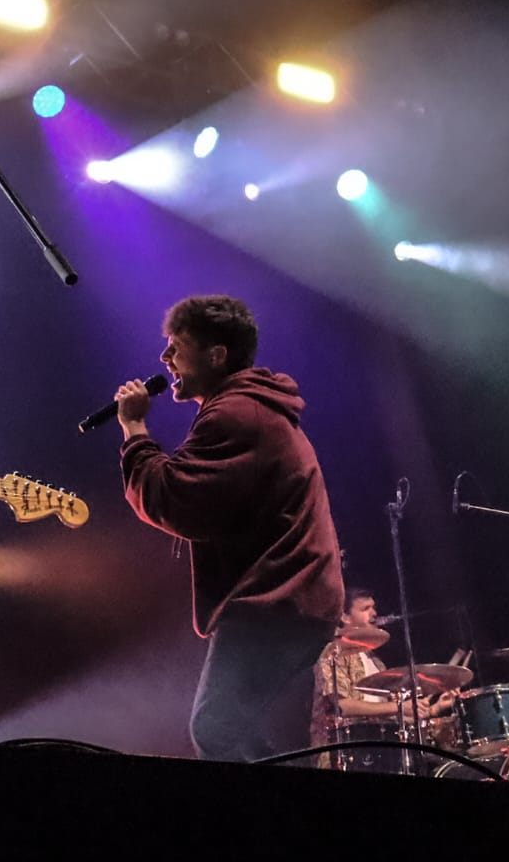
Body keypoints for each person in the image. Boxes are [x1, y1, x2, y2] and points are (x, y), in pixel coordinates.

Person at [113, 294, 344, 761]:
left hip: (282, 596)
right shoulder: (250, 408)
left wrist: (134, 429)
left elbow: (173, 498)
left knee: (215, 725)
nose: (165, 359)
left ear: (217, 354)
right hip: (292, 598)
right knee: (231, 728)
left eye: (177, 346)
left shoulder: (237, 413)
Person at [310, 587, 460, 768]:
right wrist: (397, 707)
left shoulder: (376, 662)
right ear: (345, 617)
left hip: (379, 749)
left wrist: (433, 710)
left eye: (373, 607)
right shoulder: (332, 654)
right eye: (365, 609)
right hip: (345, 753)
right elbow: (341, 706)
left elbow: (394, 718)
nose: (374, 613)